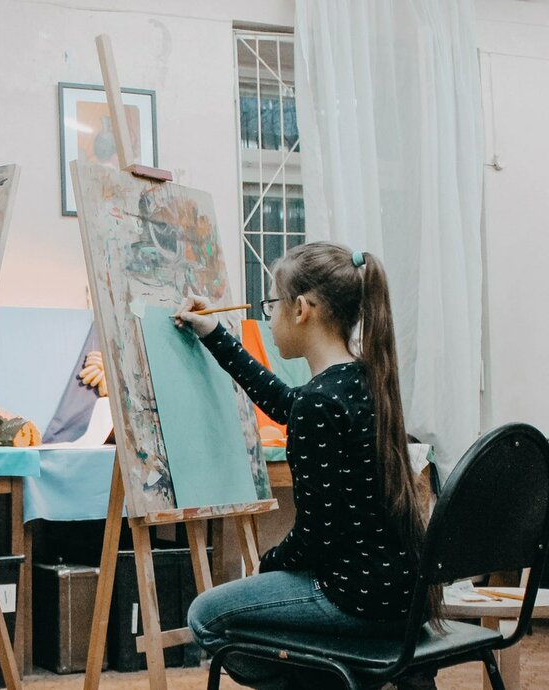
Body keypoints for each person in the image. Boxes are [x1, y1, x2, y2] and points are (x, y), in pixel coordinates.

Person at [175, 242, 439, 690]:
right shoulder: (365, 377)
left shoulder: (319, 402)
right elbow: (284, 402)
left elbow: (316, 537)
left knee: (206, 616)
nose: (268, 317)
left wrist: (268, 563)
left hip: (355, 598)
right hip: (401, 594)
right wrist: (214, 333)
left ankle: (336, 678)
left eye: (272, 304)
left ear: (301, 309)